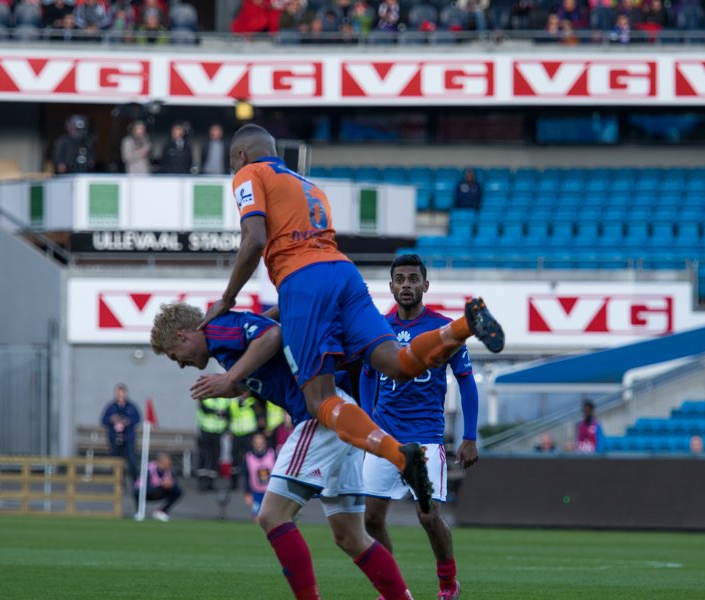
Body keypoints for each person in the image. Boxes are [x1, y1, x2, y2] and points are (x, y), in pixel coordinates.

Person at [200, 123, 505, 514]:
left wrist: (228, 298)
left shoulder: (250, 173)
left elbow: (254, 239)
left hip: (302, 281)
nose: (232, 169)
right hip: (344, 273)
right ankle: (464, 325)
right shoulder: (307, 185)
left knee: (318, 399)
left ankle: (399, 455)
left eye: (231, 162)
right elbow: (313, 273)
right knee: (397, 362)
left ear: (240, 155)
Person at [151, 302, 415, 600]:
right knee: (350, 536)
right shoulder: (224, 347)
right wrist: (235, 385)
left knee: (272, 515)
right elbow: (268, 363)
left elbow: (272, 335)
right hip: (338, 412)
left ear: (183, 336)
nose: (180, 364)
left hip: (318, 415)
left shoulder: (218, 329)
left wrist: (231, 378)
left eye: (175, 356)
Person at [361, 254, 479, 600]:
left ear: (425, 285)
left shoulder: (444, 329)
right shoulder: (377, 328)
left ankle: (448, 583)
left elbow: (467, 383)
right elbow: (368, 377)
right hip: (384, 438)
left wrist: (469, 436)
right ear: (391, 286)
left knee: (428, 517)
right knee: (370, 520)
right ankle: (394, 590)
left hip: (425, 438)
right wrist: (368, 423)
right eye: (400, 279)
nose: (406, 285)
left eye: (413, 279)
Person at [100, 383, 141, 483]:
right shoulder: (111, 407)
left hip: (128, 438)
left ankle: (136, 483)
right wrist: (111, 419)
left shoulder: (131, 406)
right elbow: (103, 420)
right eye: (118, 393)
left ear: (126, 394)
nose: (120, 395)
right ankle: (119, 483)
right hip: (115, 438)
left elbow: (137, 418)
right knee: (117, 463)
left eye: (122, 393)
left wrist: (128, 421)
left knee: (132, 461)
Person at [135, 452, 183, 521]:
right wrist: (161, 484)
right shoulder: (149, 469)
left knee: (178, 491)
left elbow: (174, 482)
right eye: (168, 461)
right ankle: (139, 512)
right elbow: (143, 486)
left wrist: (171, 484)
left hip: (160, 491)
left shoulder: (170, 471)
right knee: (137, 492)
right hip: (147, 492)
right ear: (161, 461)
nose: (170, 462)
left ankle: (161, 511)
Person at [229, 392, 262, 490]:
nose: (243, 394)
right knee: (234, 458)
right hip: (236, 434)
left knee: (250, 458)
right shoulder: (233, 403)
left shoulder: (252, 402)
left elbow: (259, 418)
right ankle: (234, 483)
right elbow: (229, 417)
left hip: (249, 434)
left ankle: (251, 482)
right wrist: (229, 431)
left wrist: (257, 433)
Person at [196, 396, 229, 491]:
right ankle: (201, 482)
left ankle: (211, 482)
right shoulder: (205, 398)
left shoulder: (224, 400)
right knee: (204, 456)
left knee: (215, 457)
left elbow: (227, 413)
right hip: (205, 431)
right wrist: (218, 412)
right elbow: (206, 410)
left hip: (218, 433)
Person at [244, 432, 276, 519]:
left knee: (271, 517)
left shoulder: (272, 454)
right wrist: (247, 493)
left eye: (261, 443)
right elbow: (246, 477)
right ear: (253, 444)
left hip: (271, 492)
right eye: (257, 443)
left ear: (265, 443)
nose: (259, 445)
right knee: (257, 517)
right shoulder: (248, 457)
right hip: (256, 493)